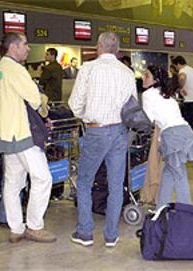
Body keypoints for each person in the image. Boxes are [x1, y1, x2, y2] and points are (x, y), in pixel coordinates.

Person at [68, 32, 137, 247]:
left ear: (99, 46)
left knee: (85, 182)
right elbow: (132, 105)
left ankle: (85, 232)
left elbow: (75, 103)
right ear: (117, 49)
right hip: (120, 132)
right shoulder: (127, 72)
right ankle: (111, 235)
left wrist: (84, 113)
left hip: (96, 131)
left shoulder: (88, 68)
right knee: (116, 185)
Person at [0, 31, 56, 243]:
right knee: (43, 178)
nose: (28, 49)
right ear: (13, 47)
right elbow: (35, 99)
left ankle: (16, 228)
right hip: (20, 133)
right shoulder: (16, 70)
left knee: (13, 182)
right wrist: (43, 100)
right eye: (25, 44)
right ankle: (34, 226)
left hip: (4, 133)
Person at [142, 65, 193, 208]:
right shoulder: (168, 94)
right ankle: (161, 207)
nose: (143, 78)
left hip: (172, 135)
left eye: (147, 76)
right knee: (168, 173)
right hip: (185, 132)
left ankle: (186, 214)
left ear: (155, 80)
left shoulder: (148, 94)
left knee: (180, 176)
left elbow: (148, 119)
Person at [172, 56, 193, 137]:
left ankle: (190, 146)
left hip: (191, 102)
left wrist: (181, 87)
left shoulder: (183, 70)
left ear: (178, 64)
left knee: (189, 127)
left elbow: (182, 78)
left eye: (175, 66)